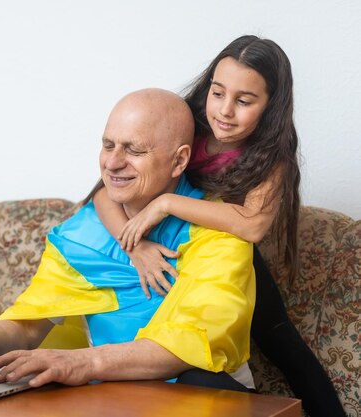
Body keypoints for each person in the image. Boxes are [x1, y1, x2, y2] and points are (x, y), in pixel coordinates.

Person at [92, 36, 345, 417]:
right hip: (169, 251)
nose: (225, 111)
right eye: (217, 93)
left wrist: (165, 203)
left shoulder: (270, 157)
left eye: (244, 101)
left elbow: (253, 225)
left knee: (282, 343)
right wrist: (135, 246)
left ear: (270, 106)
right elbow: (103, 194)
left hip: (225, 256)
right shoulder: (184, 126)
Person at [0, 88, 256, 392]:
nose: (112, 163)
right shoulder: (81, 234)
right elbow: (28, 327)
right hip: (115, 394)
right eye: (108, 146)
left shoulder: (219, 233)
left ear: (179, 160)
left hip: (206, 394)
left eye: (134, 151)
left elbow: (189, 343)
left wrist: (83, 362)